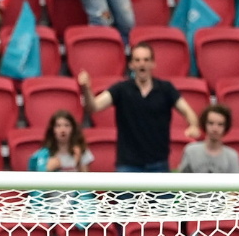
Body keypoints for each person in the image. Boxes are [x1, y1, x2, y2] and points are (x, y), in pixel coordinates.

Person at [79, 42, 200, 172]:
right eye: (137, 60)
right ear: (131, 65)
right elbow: (94, 107)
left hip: (158, 164)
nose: (142, 64)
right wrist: (86, 89)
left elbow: (188, 111)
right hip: (128, 165)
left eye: (146, 60)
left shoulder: (166, 89)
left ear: (153, 64)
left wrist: (194, 125)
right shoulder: (121, 89)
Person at [178, 104, 239, 174]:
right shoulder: (190, 151)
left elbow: (236, 184)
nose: (215, 129)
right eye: (211, 123)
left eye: (220, 124)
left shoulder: (232, 157)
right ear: (204, 125)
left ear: (225, 127)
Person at [28, 110, 93, 172]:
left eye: (67, 125)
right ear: (52, 130)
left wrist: (79, 162)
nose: (62, 130)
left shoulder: (82, 151)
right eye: (58, 126)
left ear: (73, 129)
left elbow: (86, 181)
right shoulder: (44, 154)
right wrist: (46, 170)